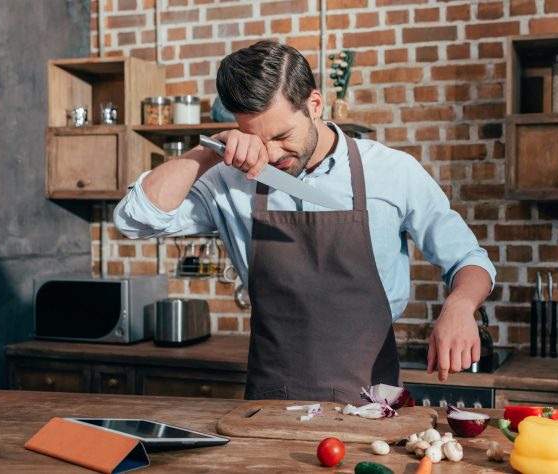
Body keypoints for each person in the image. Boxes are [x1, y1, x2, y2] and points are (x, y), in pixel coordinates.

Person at [114, 40, 496, 403]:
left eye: (282, 135)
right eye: (256, 137)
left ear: (314, 104)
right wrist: (206, 152)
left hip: (372, 397)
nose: (272, 152)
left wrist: (460, 306)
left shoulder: (392, 172)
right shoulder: (229, 180)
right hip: (271, 399)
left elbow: (468, 260)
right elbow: (136, 219)